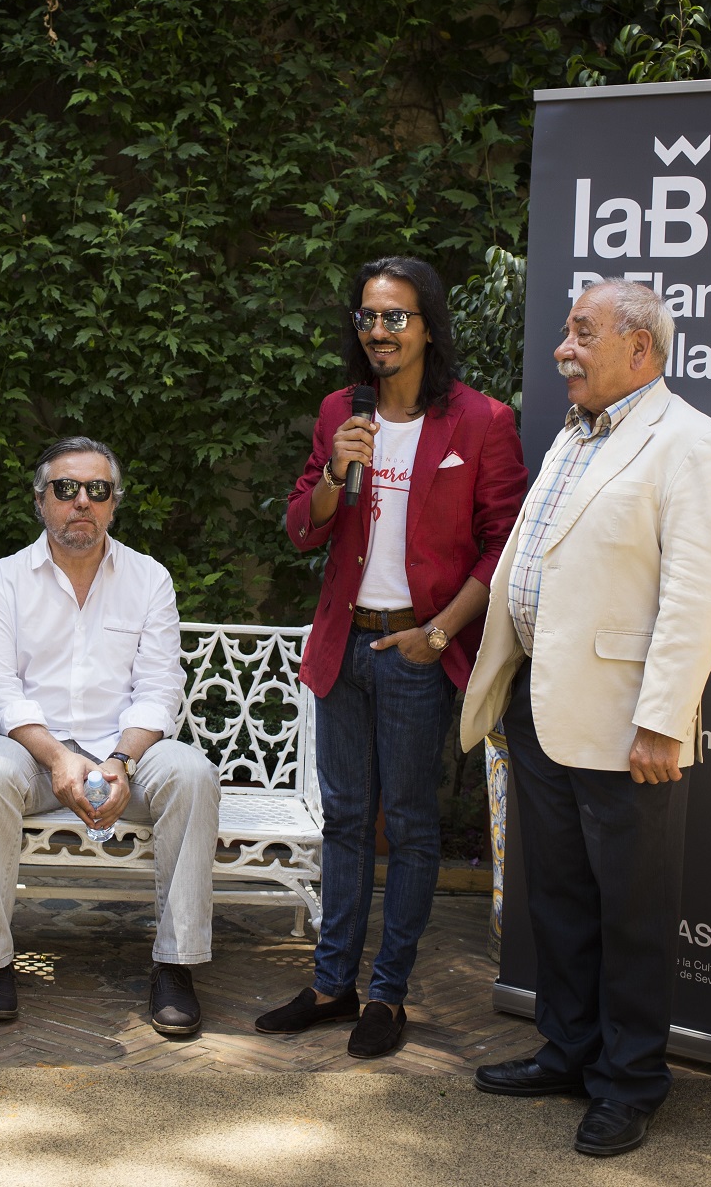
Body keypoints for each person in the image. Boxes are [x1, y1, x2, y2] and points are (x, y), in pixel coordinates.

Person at [462, 279, 711, 1156]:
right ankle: (569, 1051)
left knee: (632, 912)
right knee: (559, 899)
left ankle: (630, 1082)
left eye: (582, 333)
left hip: (629, 729)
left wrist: (663, 720)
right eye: (566, 331)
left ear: (640, 348)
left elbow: (699, 595)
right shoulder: (572, 436)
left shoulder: (694, 443)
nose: (563, 349)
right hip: (541, 705)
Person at [258, 255, 527, 1057]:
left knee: (408, 826)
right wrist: (336, 470)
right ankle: (331, 985)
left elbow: (504, 547)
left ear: (428, 327)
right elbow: (302, 527)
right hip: (344, 646)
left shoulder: (481, 421)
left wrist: (438, 633)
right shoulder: (341, 411)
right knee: (346, 820)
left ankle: (388, 995)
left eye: (396, 317)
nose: (379, 331)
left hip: (415, 650)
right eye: (368, 317)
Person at [0, 437, 221, 1036]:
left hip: (122, 751)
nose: (82, 501)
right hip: (32, 751)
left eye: (97, 490)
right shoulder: (6, 579)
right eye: (66, 488)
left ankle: (176, 964)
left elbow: (160, 688)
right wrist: (57, 757)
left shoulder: (148, 578)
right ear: (41, 500)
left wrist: (121, 759)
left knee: (192, 774)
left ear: (114, 503)